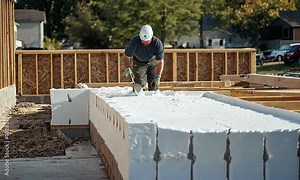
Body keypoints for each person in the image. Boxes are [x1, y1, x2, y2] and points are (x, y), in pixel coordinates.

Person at [122, 24, 164, 92]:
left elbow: (160, 62)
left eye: (147, 41)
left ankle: (153, 97)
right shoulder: (134, 42)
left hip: (152, 61)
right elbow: (126, 57)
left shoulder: (157, 44)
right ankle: (138, 97)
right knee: (139, 83)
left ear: (151, 37)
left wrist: (158, 76)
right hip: (139, 60)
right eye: (143, 40)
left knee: (153, 83)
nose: (144, 43)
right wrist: (127, 68)